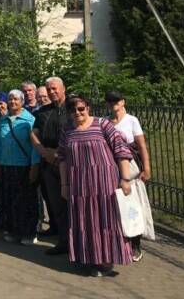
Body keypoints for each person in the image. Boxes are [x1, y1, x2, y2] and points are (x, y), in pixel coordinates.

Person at [59, 94, 134, 276]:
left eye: (81, 108)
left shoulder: (102, 125)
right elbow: (62, 158)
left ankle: (106, 260)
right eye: (72, 110)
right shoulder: (66, 130)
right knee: (85, 221)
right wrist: (65, 185)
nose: (77, 113)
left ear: (88, 107)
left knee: (106, 220)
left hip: (104, 183)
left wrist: (124, 179)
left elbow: (121, 151)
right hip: (79, 185)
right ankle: (90, 259)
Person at [106, 90, 155, 261]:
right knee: (117, 207)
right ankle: (121, 243)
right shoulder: (106, 122)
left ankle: (136, 245)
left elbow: (141, 145)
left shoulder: (131, 120)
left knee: (132, 207)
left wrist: (146, 167)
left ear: (123, 101)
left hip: (131, 168)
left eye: (116, 100)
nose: (113, 104)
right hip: (113, 169)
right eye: (110, 101)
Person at [0, 89, 40, 245]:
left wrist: (34, 166)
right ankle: (13, 231)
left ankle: (29, 232)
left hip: (24, 167)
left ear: (22, 101)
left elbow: (35, 146)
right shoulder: (3, 120)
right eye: (10, 99)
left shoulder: (30, 120)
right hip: (7, 166)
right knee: (9, 201)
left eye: (16, 99)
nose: (13, 102)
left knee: (26, 201)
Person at [31, 76, 70, 254]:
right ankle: (63, 242)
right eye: (49, 89)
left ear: (63, 89)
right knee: (56, 205)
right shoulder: (42, 112)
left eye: (54, 88)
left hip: (71, 163)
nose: (51, 92)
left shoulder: (74, 108)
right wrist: (43, 152)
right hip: (49, 164)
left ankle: (78, 244)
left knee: (73, 205)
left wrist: (61, 153)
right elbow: (33, 133)